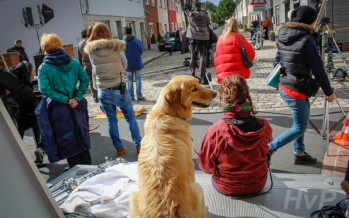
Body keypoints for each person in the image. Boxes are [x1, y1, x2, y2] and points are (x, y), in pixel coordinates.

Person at [268, 6, 335, 165]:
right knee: (300, 127)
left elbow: (277, 62)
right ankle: (269, 148)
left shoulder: (282, 35)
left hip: (286, 86)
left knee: (301, 121)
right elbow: (318, 69)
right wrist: (329, 92)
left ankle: (299, 153)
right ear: (310, 21)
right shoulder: (307, 40)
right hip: (297, 89)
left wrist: (281, 82)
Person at [198, 75, 272, 196]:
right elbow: (266, 151)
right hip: (258, 184)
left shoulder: (215, 131)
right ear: (246, 95)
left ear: (223, 98)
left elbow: (206, 167)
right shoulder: (265, 127)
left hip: (227, 186)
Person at [85, 23, 142, 156]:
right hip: (119, 87)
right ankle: (139, 146)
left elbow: (95, 68)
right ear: (107, 32)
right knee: (130, 118)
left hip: (103, 90)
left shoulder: (91, 51)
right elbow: (125, 64)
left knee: (111, 120)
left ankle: (119, 148)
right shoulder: (117, 47)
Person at [37, 33, 91, 168]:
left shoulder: (44, 67)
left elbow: (44, 89)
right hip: (76, 104)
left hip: (58, 108)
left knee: (67, 140)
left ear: (45, 47)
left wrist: (66, 100)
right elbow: (85, 80)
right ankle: (90, 170)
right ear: (59, 44)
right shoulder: (73, 62)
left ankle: (77, 173)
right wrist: (77, 98)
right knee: (81, 134)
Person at [11, 61, 45, 164]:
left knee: (17, 139)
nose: (34, 74)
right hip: (27, 118)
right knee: (41, 123)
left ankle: (17, 156)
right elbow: (35, 108)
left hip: (17, 119)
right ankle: (40, 148)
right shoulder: (26, 90)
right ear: (26, 73)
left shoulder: (13, 85)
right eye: (33, 71)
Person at [214, 16, 255, 83]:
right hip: (239, 75)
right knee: (240, 92)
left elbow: (216, 57)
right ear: (237, 26)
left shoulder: (221, 38)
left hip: (224, 75)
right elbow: (251, 54)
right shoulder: (239, 37)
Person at [184, 0, 210, 85]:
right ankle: (202, 75)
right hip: (203, 37)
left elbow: (186, 7)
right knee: (203, 56)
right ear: (200, 6)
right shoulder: (206, 14)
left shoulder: (191, 14)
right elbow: (208, 23)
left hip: (193, 38)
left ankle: (192, 74)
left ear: (195, 7)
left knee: (193, 56)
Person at [123, 26, 146, 102]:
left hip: (127, 64)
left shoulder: (122, 42)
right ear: (132, 32)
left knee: (129, 80)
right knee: (138, 79)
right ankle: (139, 95)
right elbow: (141, 50)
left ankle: (131, 97)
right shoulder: (136, 40)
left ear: (125, 32)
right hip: (137, 63)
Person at [78, 26, 98, 103]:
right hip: (94, 65)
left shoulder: (79, 45)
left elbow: (79, 58)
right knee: (98, 81)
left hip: (86, 67)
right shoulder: (92, 43)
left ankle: (95, 97)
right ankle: (99, 96)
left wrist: (82, 68)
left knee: (91, 83)